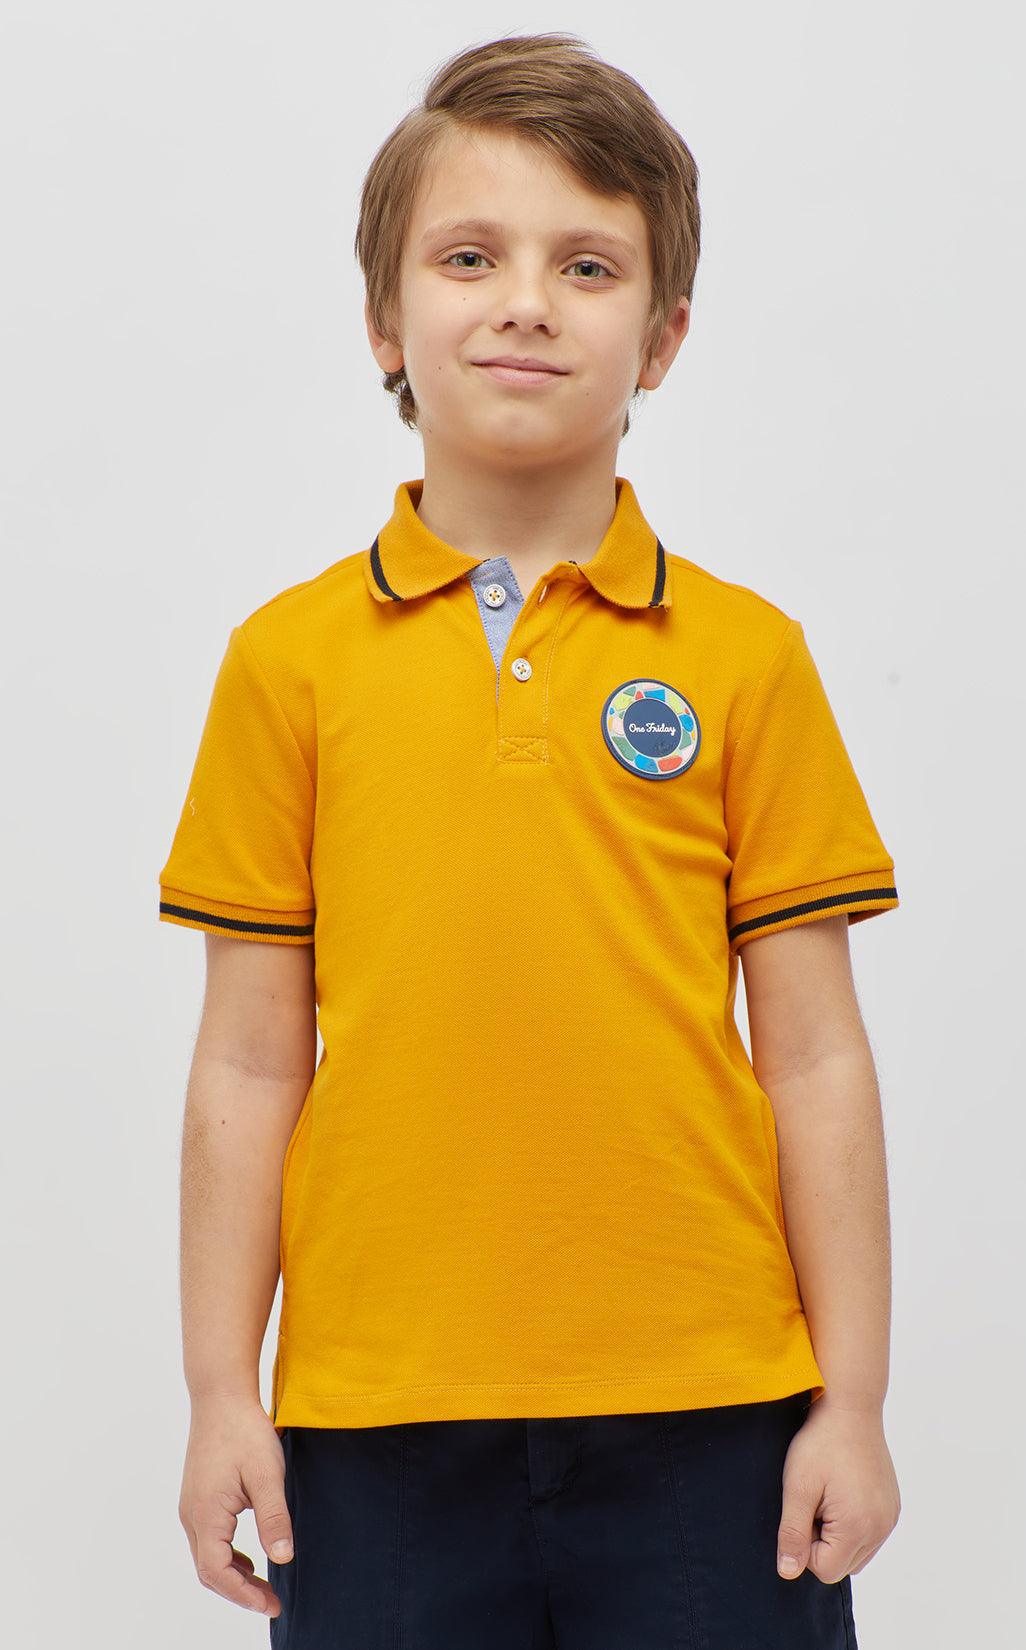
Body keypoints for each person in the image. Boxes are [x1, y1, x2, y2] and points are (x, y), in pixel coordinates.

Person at [161, 31, 901, 1650]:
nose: (526, 303)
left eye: (588, 265)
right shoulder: (285, 664)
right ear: (385, 321)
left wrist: (852, 1398)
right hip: (370, 1423)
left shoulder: (749, 658)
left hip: (716, 1413)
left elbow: (816, 1054)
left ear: (664, 336)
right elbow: (248, 1062)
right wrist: (223, 1389)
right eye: (469, 257)